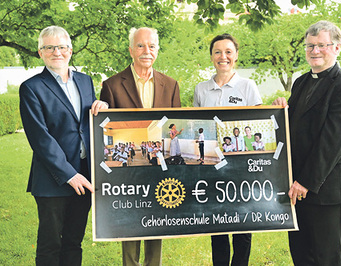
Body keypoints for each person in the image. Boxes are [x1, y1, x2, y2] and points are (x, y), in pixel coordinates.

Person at [273, 20, 341, 265]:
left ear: (337, 48)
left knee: (326, 256)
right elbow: (293, 129)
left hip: (325, 187)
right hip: (295, 186)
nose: (315, 51)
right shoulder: (301, 82)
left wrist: (306, 181)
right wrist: (281, 110)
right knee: (301, 254)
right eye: (310, 46)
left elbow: (332, 141)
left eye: (322, 45)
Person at [19, 26, 108, 266]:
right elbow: (40, 138)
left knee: (73, 242)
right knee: (50, 245)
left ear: (70, 50)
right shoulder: (31, 88)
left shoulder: (85, 81)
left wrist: (102, 107)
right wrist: (70, 175)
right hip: (53, 180)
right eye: (49, 47)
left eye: (61, 47)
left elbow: (85, 122)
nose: (56, 52)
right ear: (40, 53)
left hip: (86, 175)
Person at [100, 26, 181, 266]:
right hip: (127, 174)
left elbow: (172, 128)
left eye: (152, 46)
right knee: (130, 220)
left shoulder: (171, 84)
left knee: (157, 218)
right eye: (140, 45)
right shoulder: (112, 85)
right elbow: (104, 129)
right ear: (130, 50)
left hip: (160, 167)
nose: (147, 50)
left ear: (158, 49)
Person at [193, 33, 262, 266]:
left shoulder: (247, 86)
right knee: (218, 225)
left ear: (236, 55)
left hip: (241, 169)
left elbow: (257, 121)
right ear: (212, 56)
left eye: (228, 52)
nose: (223, 57)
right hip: (212, 168)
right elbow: (198, 125)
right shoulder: (201, 89)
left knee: (243, 226)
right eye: (218, 52)